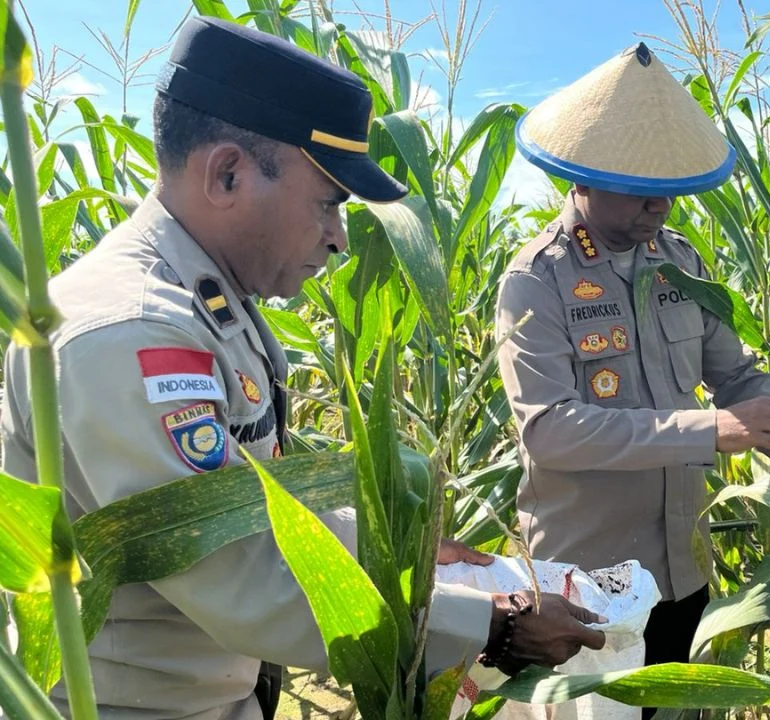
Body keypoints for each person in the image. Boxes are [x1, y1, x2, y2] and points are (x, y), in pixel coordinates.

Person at [0, 17, 603, 720]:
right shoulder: (133, 333)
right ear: (226, 173)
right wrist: (494, 626)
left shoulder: (211, 303)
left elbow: (250, 507)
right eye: (327, 204)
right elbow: (241, 576)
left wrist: (396, 550)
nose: (339, 238)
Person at [493, 41, 770, 715]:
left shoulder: (680, 263)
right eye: (639, 188)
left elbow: (737, 379)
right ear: (582, 178)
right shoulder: (536, 281)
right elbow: (549, 431)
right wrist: (709, 431)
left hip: (682, 567)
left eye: (668, 187)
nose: (660, 205)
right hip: (590, 580)